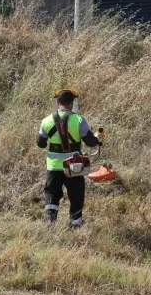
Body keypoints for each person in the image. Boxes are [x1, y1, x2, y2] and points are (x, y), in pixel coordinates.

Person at [36, 89, 105, 227]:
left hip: (53, 166)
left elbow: (40, 143)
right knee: (76, 195)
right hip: (74, 166)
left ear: (58, 103)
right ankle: (76, 224)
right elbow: (90, 142)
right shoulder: (79, 120)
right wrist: (98, 139)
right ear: (72, 103)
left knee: (51, 193)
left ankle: (50, 222)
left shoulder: (46, 121)